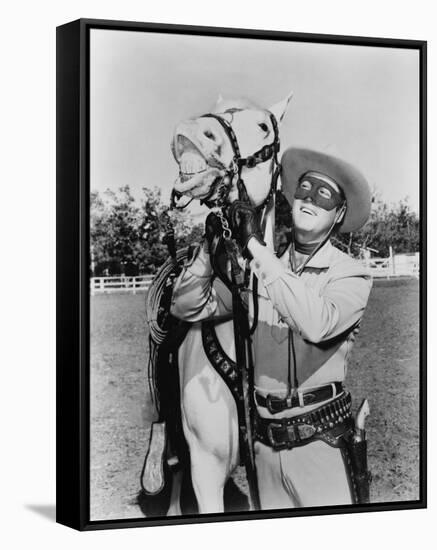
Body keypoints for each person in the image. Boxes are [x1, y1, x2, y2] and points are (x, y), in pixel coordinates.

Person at [171, 147, 373, 509]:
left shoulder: (351, 274)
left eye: (324, 195)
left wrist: (255, 248)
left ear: (339, 213)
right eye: (305, 189)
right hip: (264, 448)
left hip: (321, 443)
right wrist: (207, 247)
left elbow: (317, 323)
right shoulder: (258, 275)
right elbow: (188, 306)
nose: (310, 198)